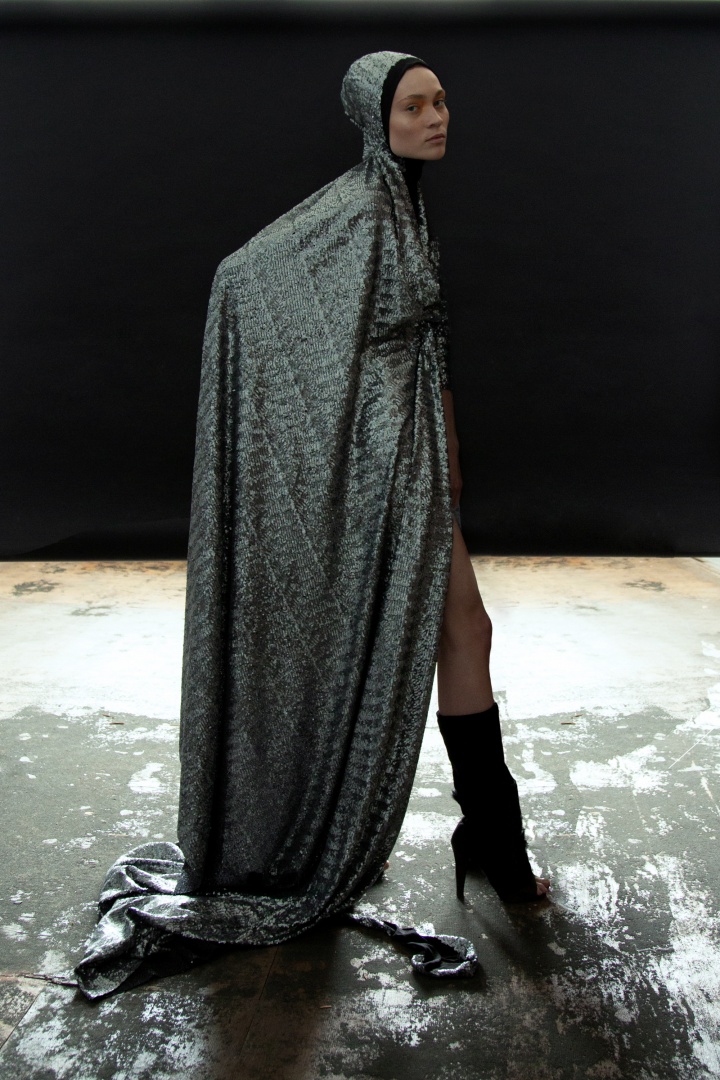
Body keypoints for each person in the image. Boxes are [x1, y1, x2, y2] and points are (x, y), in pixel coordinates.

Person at [74, 50, 546, 1001]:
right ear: (375, 119)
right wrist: (363, 431)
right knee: (463, 631)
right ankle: (491, 846)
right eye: (414, 106)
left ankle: (491, 838)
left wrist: (447, 442)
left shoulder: (406, 209)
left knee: (469, 631)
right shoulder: (356, 211)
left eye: (441, 101)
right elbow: (243, 281)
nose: (436, 117)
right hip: (384, 470)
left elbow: (428, 339)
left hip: (419, 460)